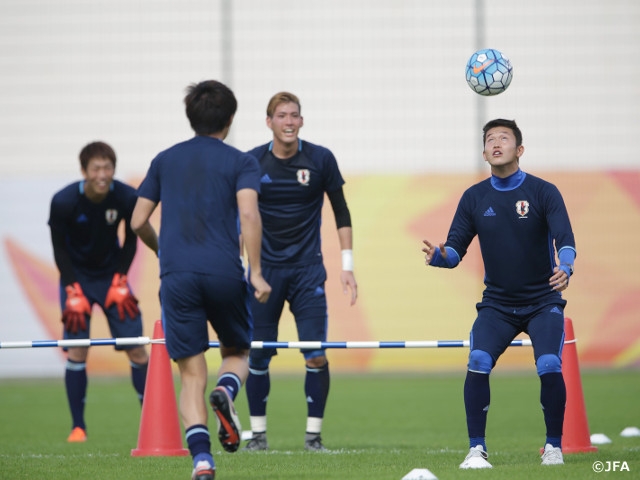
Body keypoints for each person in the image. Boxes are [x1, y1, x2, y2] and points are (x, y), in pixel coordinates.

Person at [131, 79, 271, 480]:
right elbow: (248, 215)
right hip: (224, 271)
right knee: (237, 353)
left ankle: (202, 461)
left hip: (177, 276)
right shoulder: (241, 162)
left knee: (191, 373)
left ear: (191, 117)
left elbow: (138, 220)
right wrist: (256, 271)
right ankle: (226, 392)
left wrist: (161, 250)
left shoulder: (164, 160)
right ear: (229, 119)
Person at [422, 119, 576, 468]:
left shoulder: (543, 192)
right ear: (483, 152)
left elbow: (564, 240)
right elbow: (455, 251)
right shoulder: (474, 197)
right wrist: (438, 257)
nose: (496, 143)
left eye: (504, 138)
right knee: (477, 361)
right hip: (498, 305)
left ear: (519, 150)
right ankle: (477, 449)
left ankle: (553, 447)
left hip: (543, 302)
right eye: (490, 139)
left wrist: (565, 268)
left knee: (550, 363)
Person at [243, 92, 358, 452]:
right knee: (258, 354)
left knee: (316, 354)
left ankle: (313, 438)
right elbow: (239, 218)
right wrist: (241, 269)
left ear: (302, 121)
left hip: (309, 272)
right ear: (269, 122)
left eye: (295, 115)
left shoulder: (321, 159)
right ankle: (257, 436)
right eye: (281, 115)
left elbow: (341, 211)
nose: (289, 121)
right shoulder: (250, 163)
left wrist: (347, 267)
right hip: (264, 273)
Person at [48, 141, 149, 443]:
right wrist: (71, 286)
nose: (102, 174)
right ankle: (78, 427)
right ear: (84, 171)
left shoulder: (127, 196)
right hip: (76, 279)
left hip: (111, 278)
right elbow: (59, 248)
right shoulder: (63, 201)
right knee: (78, 350)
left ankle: (151, 423)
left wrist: (120, 279)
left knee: (137, 347)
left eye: (108, 168)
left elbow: (131, 241)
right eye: (96, 168)